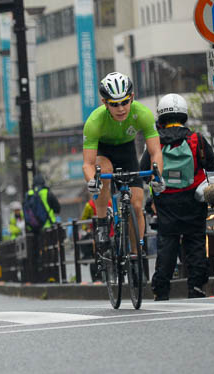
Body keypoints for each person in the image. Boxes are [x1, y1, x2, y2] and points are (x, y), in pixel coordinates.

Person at [139, 93, 214, 300]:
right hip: (193, 199)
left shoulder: (155, 143)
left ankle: (161, 289)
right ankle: (197, 286)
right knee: (195, 242)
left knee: (168, 243)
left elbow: (143, 171)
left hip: (166, 201)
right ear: (183, 114)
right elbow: (211, 164)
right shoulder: (197, 139)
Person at [83, 72, 164, 254]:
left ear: (132, 98)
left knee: (136, 205)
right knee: (104, 170)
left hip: (127, 154)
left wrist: (157, 175)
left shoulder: (142, 113)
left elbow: (155, 152)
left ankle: (137, 254)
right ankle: (103, 222)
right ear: (105, 103)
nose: (121, 108)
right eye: (114, 104)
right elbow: (87, 163)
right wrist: (91, 180)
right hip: (104, 153)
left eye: (125, 102)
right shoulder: (94, 122)